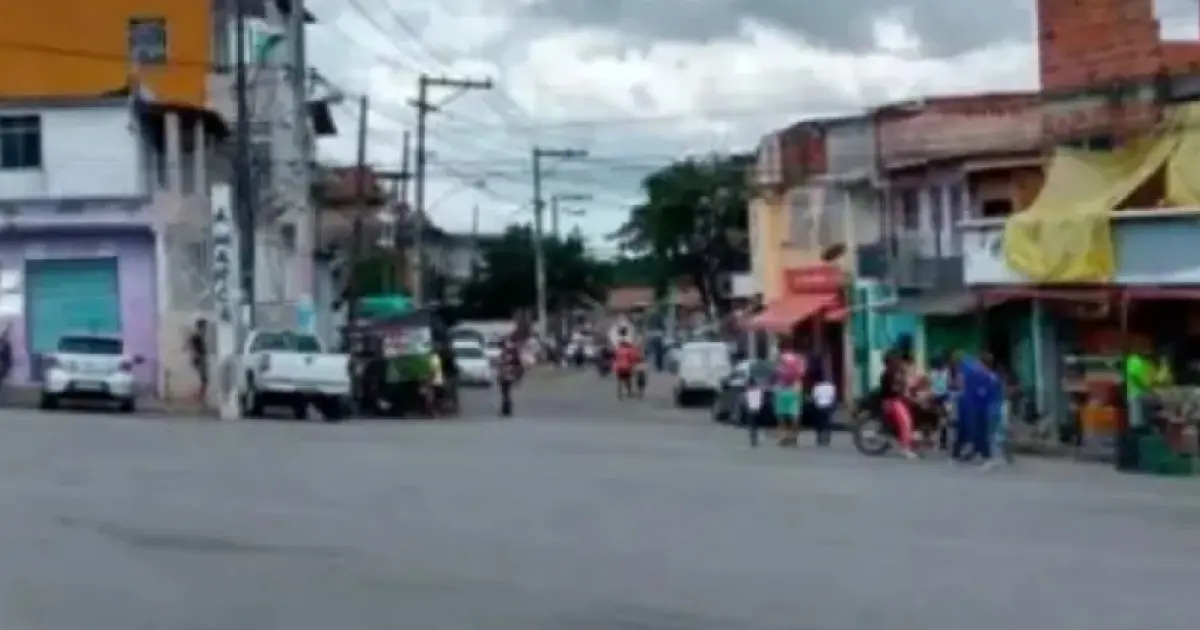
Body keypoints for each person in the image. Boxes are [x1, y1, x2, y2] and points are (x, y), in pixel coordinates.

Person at [952, 350, 1002, 465]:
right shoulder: (987, 375)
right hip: (978, 407)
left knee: (978, 431)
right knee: (974, 430)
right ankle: (976, 452)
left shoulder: (981, 375)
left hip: (976, 407)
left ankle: (985, 454)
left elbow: (962, 384)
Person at [880, 350, 917, 459]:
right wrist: (904, 391)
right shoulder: (888, 375)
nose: (899, 362)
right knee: (906, 422)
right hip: (891, 402)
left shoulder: (894, 373)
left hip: (895, 401)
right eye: (896, 360)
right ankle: (905, 448)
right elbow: (894, 390)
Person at [773, 341, 805, 447]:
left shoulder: (780, 359)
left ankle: (783, 436)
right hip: (795, 387)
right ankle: (794, 435)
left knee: (781, 414)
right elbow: (802, 372)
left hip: (782, 388)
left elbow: (776, 372)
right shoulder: (799, 359)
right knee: (794, 413)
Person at [1124, 348, 1153, 430]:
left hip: (1142, 393)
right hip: (1135, 393)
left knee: (1142, 418)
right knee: (1136, 419)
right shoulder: (1134, 360)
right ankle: (1136, 436)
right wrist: (1144, 386)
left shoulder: (1144, 362)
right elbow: (1134, 376)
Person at [929, 354, 953, 450]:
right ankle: (940, 442)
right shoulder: (945, 372)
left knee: (941, 420)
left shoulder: (933, 373)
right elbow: (949, 384)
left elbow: (948, 384)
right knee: (942, 420)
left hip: (940, 397)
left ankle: (940, 442)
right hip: (940, 397)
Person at [498, 337, 524, 417]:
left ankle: (506, 409)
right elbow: (519, 365)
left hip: (507, 374)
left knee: (506, 392)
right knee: (506, 392)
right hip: (508, 375)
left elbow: (518, 366)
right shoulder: (512, 352)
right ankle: (506, 409)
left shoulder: (507, 352)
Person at [811, 372, 836, 447]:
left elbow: (814, 397)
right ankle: (827, 438)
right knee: (827, 422)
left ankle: (819, 438)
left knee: (819, 423)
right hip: (828, 406)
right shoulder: (831, 386)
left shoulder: (817, 386)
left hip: (819, 406)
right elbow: (833, 397)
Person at [188, 318, 208, 404]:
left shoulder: (200, 337)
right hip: (199, 359)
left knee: (204, 379)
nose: (205, 329)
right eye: (204, 327)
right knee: (204, 379)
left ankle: (200, 397)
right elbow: (194, 349)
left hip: (201, 358)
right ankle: (200, 397)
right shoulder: (196, 337)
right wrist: (197, 358)